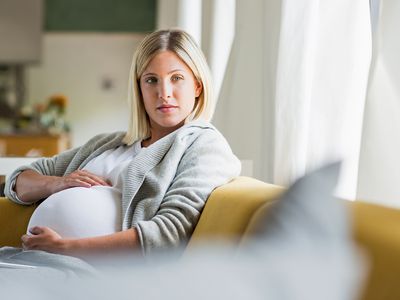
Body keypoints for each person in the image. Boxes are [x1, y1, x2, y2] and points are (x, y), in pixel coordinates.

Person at [4, 29, 241, 259]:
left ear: (197, 86)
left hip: (90, 273)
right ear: (139, 89)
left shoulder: (203, 144)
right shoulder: (109, 143)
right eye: (151, 80)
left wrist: (65, 248)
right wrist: (57, 184)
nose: (164, 92)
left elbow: (169, 233)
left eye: (176, 78)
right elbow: (18, 181)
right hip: (33, 260)